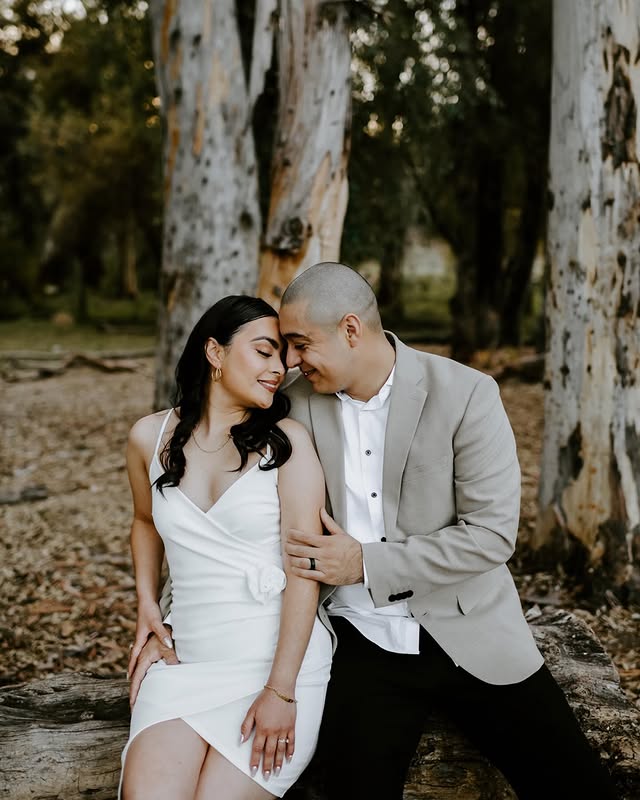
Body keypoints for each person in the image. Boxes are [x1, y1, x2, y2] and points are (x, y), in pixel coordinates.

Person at [135, 264, 618, 800]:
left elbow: (491, 535)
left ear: (350, 330)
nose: (290, 361)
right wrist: (171, 619)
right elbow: (207, 508)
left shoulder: (465, 394)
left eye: (298, 343)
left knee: (580, 787)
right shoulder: (290, 402)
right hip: (360, 646)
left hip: (469, 630)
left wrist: (363, 563)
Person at [119, 295, 333, 800]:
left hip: (279, 665)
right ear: (215, 353)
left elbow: (304, 570)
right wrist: (148, 607)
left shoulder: (289, 442)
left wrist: (281, 691)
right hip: (186, 663)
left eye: (282, 356)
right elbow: (144, 522)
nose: (279, 368)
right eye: (264, 352)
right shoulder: (148, 438)